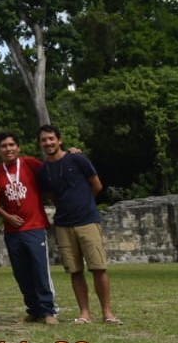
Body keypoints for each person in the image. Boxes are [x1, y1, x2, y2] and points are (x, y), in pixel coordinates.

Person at [37, 124, 120, 325]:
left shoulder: (77, 159)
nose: (48, 143)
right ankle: (85, 313)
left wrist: (84, 203)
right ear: (40, 144)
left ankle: (107, 312)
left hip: (87, 220)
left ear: (59, 140)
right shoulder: (44, 170)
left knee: (98, 267)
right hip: (64, 224)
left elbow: (97, 184)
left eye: (51, 138)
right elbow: (49, 195)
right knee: (75, 271)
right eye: (44, 140)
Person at [0, 131, 57, 325]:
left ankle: (48, 311)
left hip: (35, 226)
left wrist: (71, 154)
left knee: (39, 270)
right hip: (12, 231)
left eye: (11, 145)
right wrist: (7, 216)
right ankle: (33, 309)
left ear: (18, 147)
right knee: (21, 272)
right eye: (4, 146)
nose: (8, 149)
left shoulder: (30, 163)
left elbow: (52, 170)